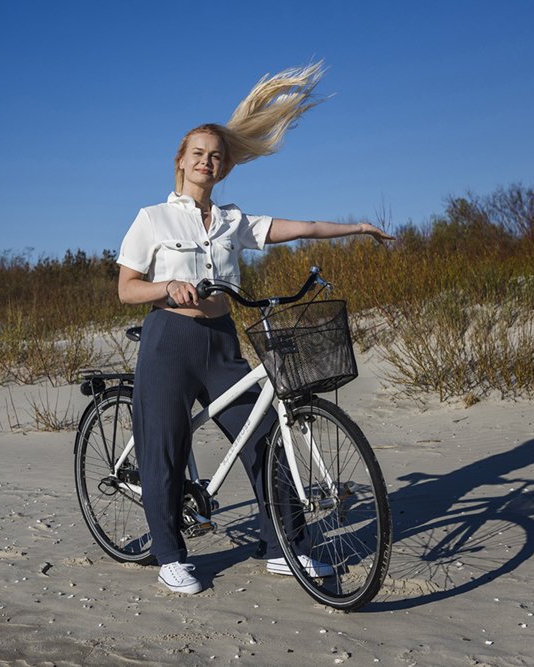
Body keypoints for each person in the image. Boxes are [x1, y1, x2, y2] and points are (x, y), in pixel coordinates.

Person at [116, 63, 393, 594]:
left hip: (221, 342)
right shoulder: (152, 218)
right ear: (180, 161)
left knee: (265, 440)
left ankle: (283, 548)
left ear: (224, 168)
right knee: (166, 448)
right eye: (197, 153)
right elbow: (126, 287)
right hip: (170, 340)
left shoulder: (231, 221)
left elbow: (301, 228)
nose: (206, 161)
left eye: (215, 156)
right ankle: (170, 555)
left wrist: (356, 227)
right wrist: (165, 288)